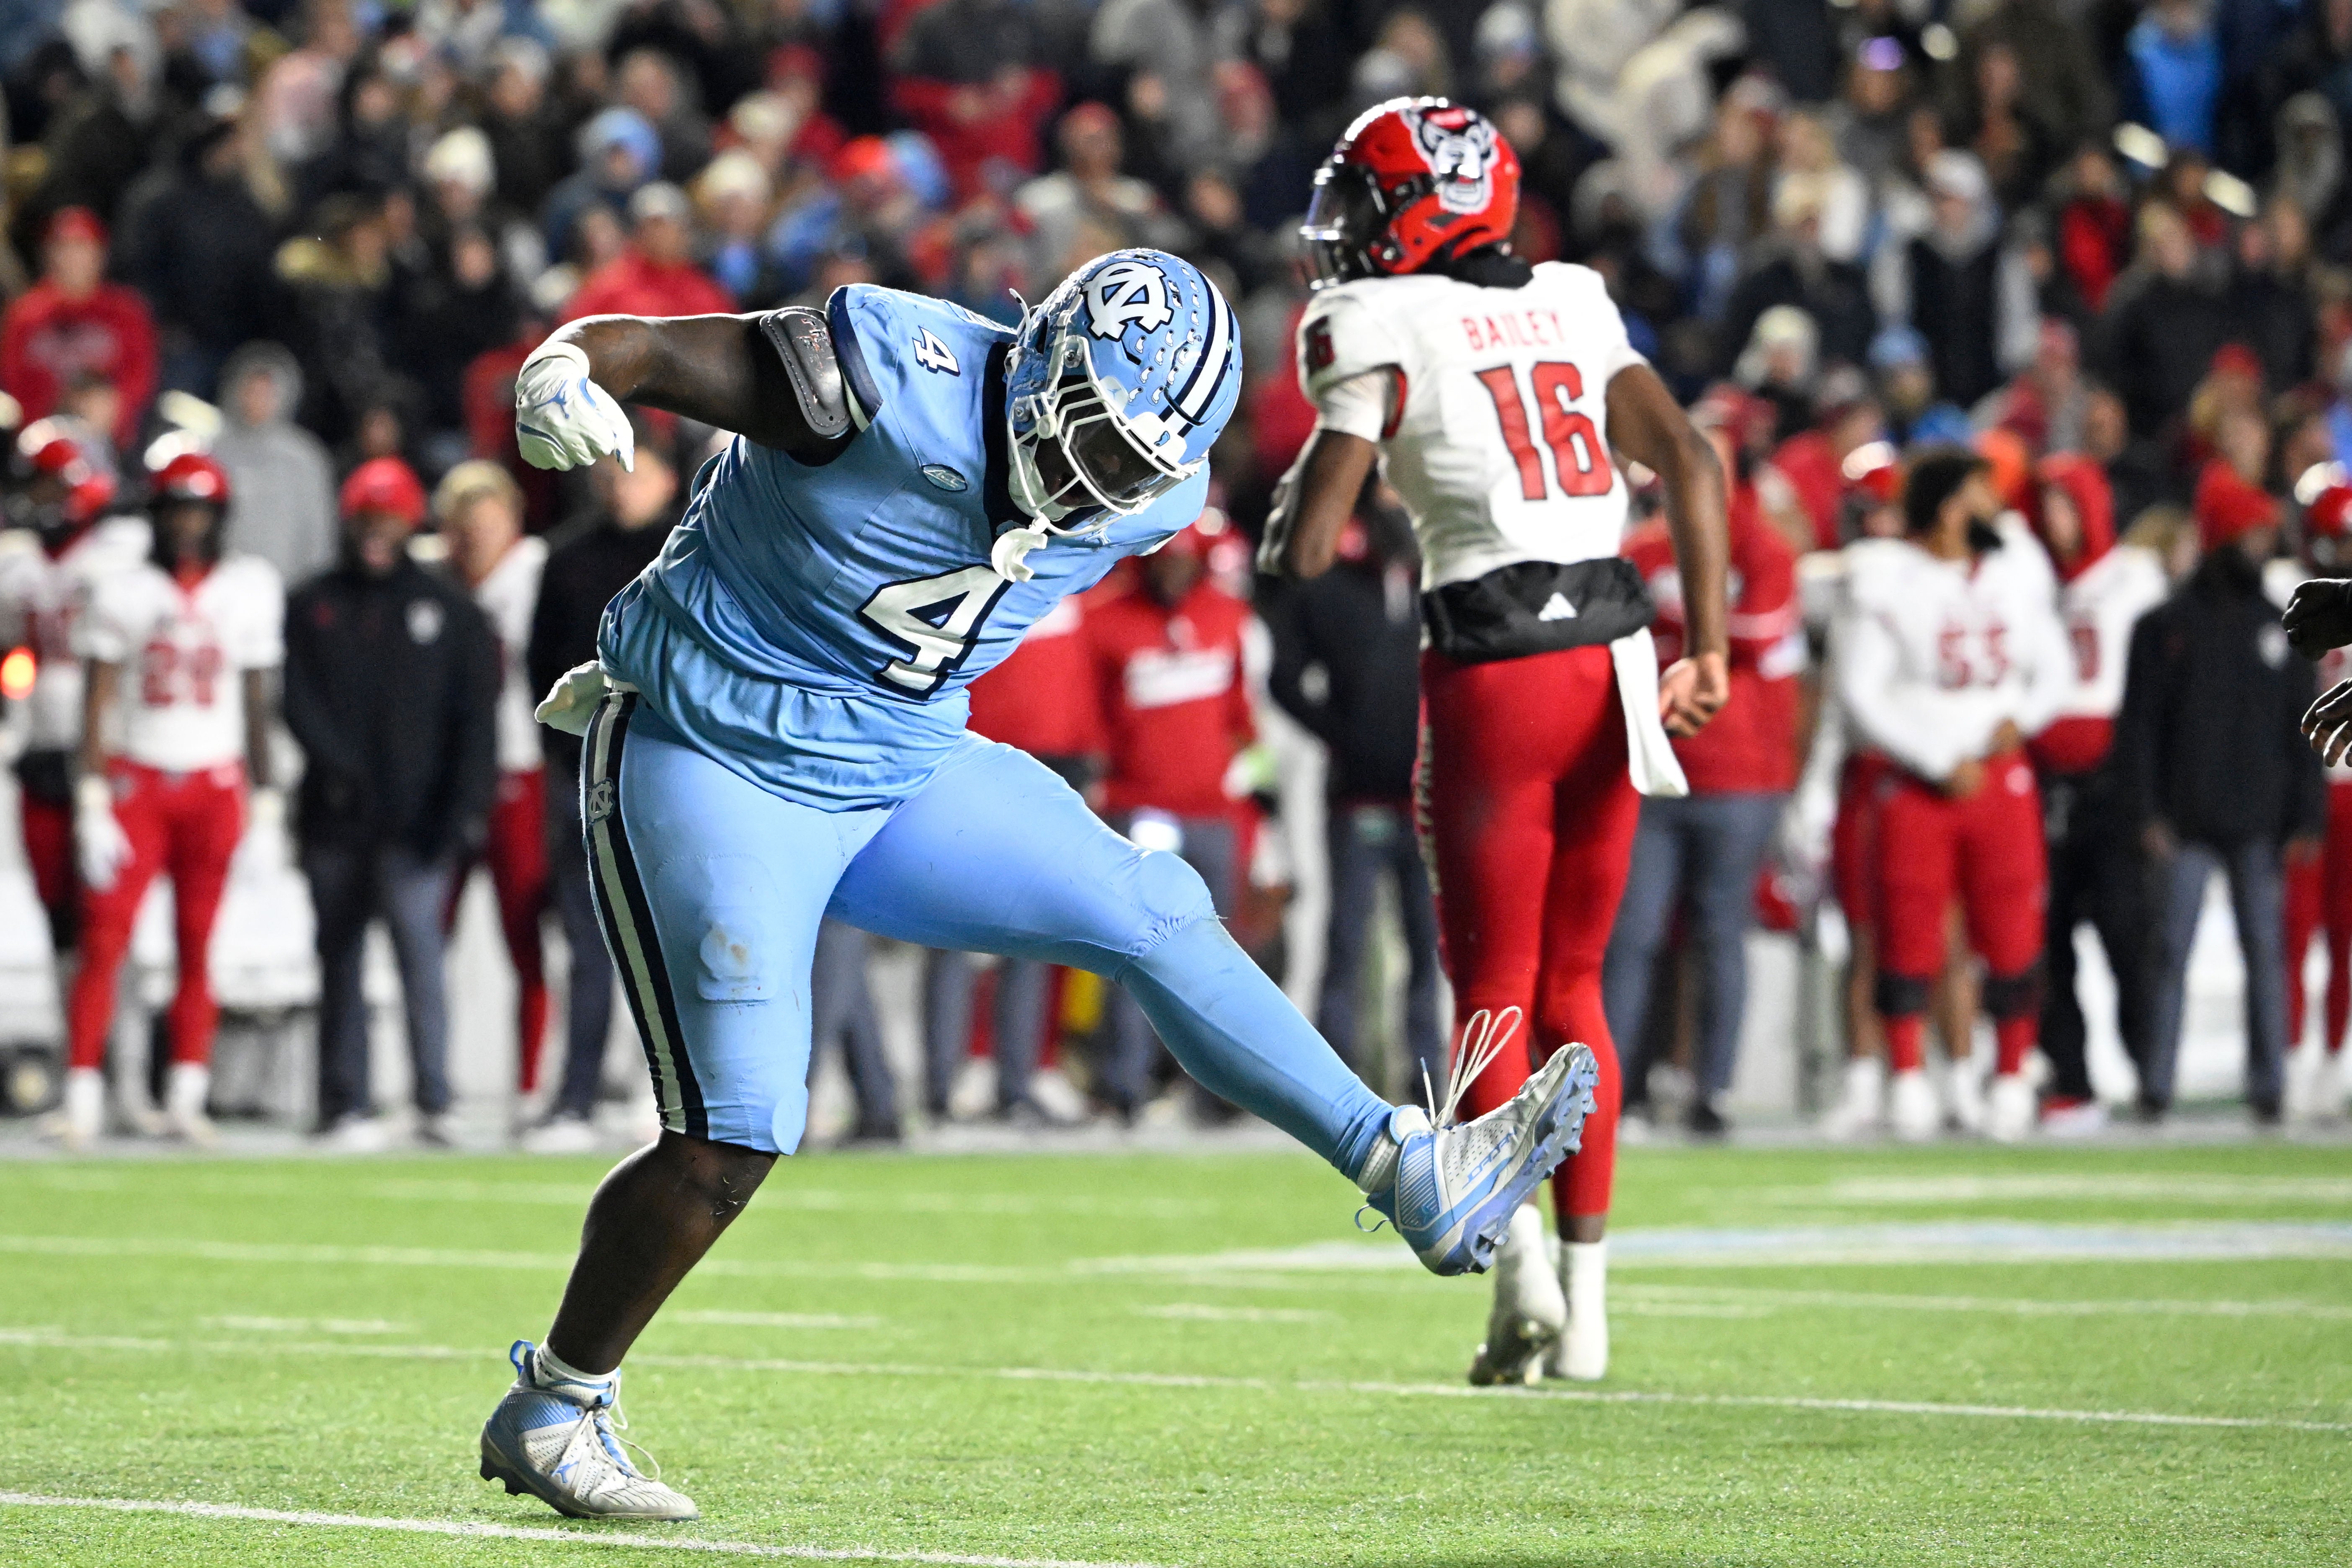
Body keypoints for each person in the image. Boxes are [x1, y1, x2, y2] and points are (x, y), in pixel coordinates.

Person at [477, 245, 1599, 1522]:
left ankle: (1409, 1169)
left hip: (899, 763)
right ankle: (557, 1404)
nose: (1091, 479)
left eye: (1129, 462)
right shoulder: (882, 377)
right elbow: (650, 349)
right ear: (1039, 359)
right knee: (735, 1131)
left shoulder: (1158, 497)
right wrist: (564, 364)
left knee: (1154, 910)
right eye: (1088, 433)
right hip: (714, 750)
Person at [1261, 100, 1729, 1387]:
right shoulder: (1572, 297)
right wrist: (1712, 651)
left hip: (1497, 665)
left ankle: (1517, 1266)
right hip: (1620, 655)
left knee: (1493, 989)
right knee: (1579, 986)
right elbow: (1692, 460)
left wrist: (1289, 506)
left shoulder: (1373, 317)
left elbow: (1311, 547)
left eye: (1367, 202)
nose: (1346, 229)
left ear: (1426, 209)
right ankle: (1591, 1314)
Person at [1833, 449, 2070, 1142]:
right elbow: (1860, 689)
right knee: (1906, 930)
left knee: (2014, 931)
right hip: (1919, 780)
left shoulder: (2015, 570)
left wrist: (2022, 719)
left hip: (2000, 776)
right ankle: (1907, 1077)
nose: (1996, 506)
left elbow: (2054, 666)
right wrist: (1934, 757)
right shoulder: (1890, 578)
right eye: (1979, 493)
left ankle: (2010, 1075)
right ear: (1947, 508)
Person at [58, 453, 281, 1149]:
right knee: (104, 940)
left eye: (199, 512)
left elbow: (256, 702)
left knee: (198, 942)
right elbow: (97, 698)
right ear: (156, 515)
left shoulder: (248, 588)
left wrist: (267, 800)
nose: (188, 525)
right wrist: (91, 794)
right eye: (177, 511)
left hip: (214, 780)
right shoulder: (122, 587)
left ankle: (187, 1093)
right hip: (140, 776)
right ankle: (82, 1093)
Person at [283, 457, 499, 1150]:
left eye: (389, 519)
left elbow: (476, 721)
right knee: (339, 959)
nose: (377, 532)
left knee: (420, 959)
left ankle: (434, 1097)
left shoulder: (452, 612)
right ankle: (343, 1099)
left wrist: (459, 810)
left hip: (417, 823)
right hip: (336, 818)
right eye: (367, 519)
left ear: (411, 524)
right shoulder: (312, 603)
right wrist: (338, 770)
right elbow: (295, 700)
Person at [1608, 392, 1802, 1137]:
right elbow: (1612, 627)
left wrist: (1673, 616)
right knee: (1633, 935)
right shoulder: (1644, 549)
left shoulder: (1763, 547)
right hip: (1653, 765)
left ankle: (1711, 1090)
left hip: (1741, 775)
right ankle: (1613, 1092)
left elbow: (1759, 630)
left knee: (1721, 934)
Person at [2117, 464, 2324, 1122]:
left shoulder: (2282, 626)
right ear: (2226, 536)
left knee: (2265, 952)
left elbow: (2306, 727)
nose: (2262, 547)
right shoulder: (2165, 626)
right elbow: (2140, 728)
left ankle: (2270, 1085)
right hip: (2184, 820)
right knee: (2169, 953)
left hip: (2259, 821)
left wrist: (2307, 814)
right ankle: (2156, 1083)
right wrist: (2146, 811)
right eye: (2252, 534)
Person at [523, 436, 682, 1151]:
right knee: (590, 947)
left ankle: (671, 1097)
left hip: (674, 775)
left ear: (668, 479)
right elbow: (542, 669)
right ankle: (576, 1097)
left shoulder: (693, 556)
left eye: (636, 471)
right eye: (611, 472)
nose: (621, 486)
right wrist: (570, 757)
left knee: (673, 947)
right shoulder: (567, 557)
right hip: (590, 775)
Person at [1263, 500, 1442, 1099]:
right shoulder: (1334, 590)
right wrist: (1344, 736)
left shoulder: (1437, 588)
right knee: (1346, 940)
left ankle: (1427, 1083)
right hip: (1360, 796)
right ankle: (1336, 1087)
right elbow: (1284, 676)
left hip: (1427, 799)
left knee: (1428, 948)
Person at [1083, 522, 1260, 1120]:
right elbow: (1093, 715)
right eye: (1165, 561)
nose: (1174, 572)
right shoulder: (1107, 621)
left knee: (1221, 954)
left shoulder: (1229, 617)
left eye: (1183, 562)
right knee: (1140, 947)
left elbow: (1242, 714)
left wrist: (1253, 793)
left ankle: (1223, 1091)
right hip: (1141, 805)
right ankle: (1126, 1083)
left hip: (1214, 809)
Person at [2026, 454, 2167, 1132]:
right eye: (2047, 506)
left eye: (2065, 503)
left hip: (2113, 783)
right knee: (2047, 939)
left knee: (2125, 935)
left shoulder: (2132, 581)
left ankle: (2151, 1068)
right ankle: (2072, 1079)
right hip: (2046, 783)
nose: (2055, 520)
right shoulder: (2034, 587)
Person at [927, 590, 1104, 1126]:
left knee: (1039, 930)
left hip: (1058, 765)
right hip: (976, 761)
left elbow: (1082, 678)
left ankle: (1024, 1073)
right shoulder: (980, 572)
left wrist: (1091, 757)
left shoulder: (1079, 579)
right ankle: (954, 1074)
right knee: (959, 929)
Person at [436, 462, 552, 1125]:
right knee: (430, 938)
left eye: (488, 521)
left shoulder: (537, 572)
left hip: (519, 766)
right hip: (451, 779)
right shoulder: (436, 583)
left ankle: (530, 1086)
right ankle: (434, 1085)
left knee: (525, 935)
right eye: (465, 524)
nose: (477, 535)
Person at [0, 422, 147, 950]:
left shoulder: (122, 555)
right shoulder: (17, 563)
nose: (34, 499)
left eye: (45, 485)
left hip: (110, 747)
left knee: (109, 907)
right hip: (42, 743)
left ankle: (113, 1000)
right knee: (54, 899)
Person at [0, 209, 157, 451]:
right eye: (63, 248)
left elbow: (139, 378)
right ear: (48, 255)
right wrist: (60, 405)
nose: (73, 258)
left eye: (82, 248)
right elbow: (14, 381)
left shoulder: (126, 312)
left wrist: (114, 406)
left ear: (100, 254)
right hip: (42, 439)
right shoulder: (26, 314)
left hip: (109, 440)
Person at [211, 343, 340, 589]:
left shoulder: (305, 459)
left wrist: (312, 588)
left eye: (267, 394)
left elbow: (319, 533)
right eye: (251, 391)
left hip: (291, 590)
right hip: (223, 588)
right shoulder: (213, 454)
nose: (257, 401)